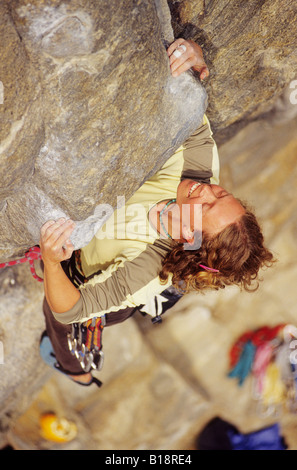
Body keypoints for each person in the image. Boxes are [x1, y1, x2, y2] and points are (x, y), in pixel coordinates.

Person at [39, 39, 274, 386]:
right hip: (170, 258)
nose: (207, 190)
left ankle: (80, 372)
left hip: (100, 282)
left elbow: (70, 308)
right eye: (222, 194)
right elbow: (187, 105)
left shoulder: (147, 266)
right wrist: (192, 62)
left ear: (189, 235)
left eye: (207, 206)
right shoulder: (198, 170)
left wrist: (50, 260)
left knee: (62, 324)